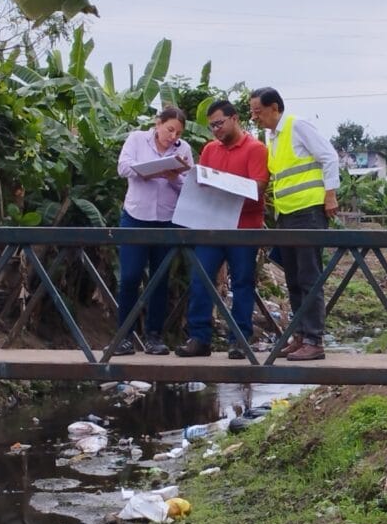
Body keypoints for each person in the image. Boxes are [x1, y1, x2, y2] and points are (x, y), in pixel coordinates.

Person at [248, 87, 339, 361]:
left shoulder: (297, 126)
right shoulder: (272, 137)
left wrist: (330, 195)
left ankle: (314, 339)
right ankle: (300, 335)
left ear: (274, 107)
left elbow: (329, 157)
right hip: (287, 216)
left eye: (258, 111)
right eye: (252, 112)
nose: (255, 117)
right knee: (294, 279)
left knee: (310, 278)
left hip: (308, 213)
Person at [175, 100, 269, 359]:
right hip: (213, 224)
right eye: (211, 126)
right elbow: (204, 184)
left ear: (234, 119)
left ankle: (239, 340)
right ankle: (199, 337)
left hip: (244, 226)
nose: (215, 130)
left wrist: (226, 186)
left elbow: (258, 187)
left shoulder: (255, 148)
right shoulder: (209, 149)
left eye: (219, 123)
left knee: (242, 282)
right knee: (200, 278)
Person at [109, 106, 194, 356]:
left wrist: (172, 176)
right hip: (136, 216)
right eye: (170, 129)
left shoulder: (184, 150)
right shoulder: (136, 139)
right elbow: (123, 168)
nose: (173, 136)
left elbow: (189, 187)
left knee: (159, 279)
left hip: (166, 219)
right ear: (158, 123)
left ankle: (154, 337)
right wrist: (152, 168)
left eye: (177, 133)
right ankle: (124, 336)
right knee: (130, 277)